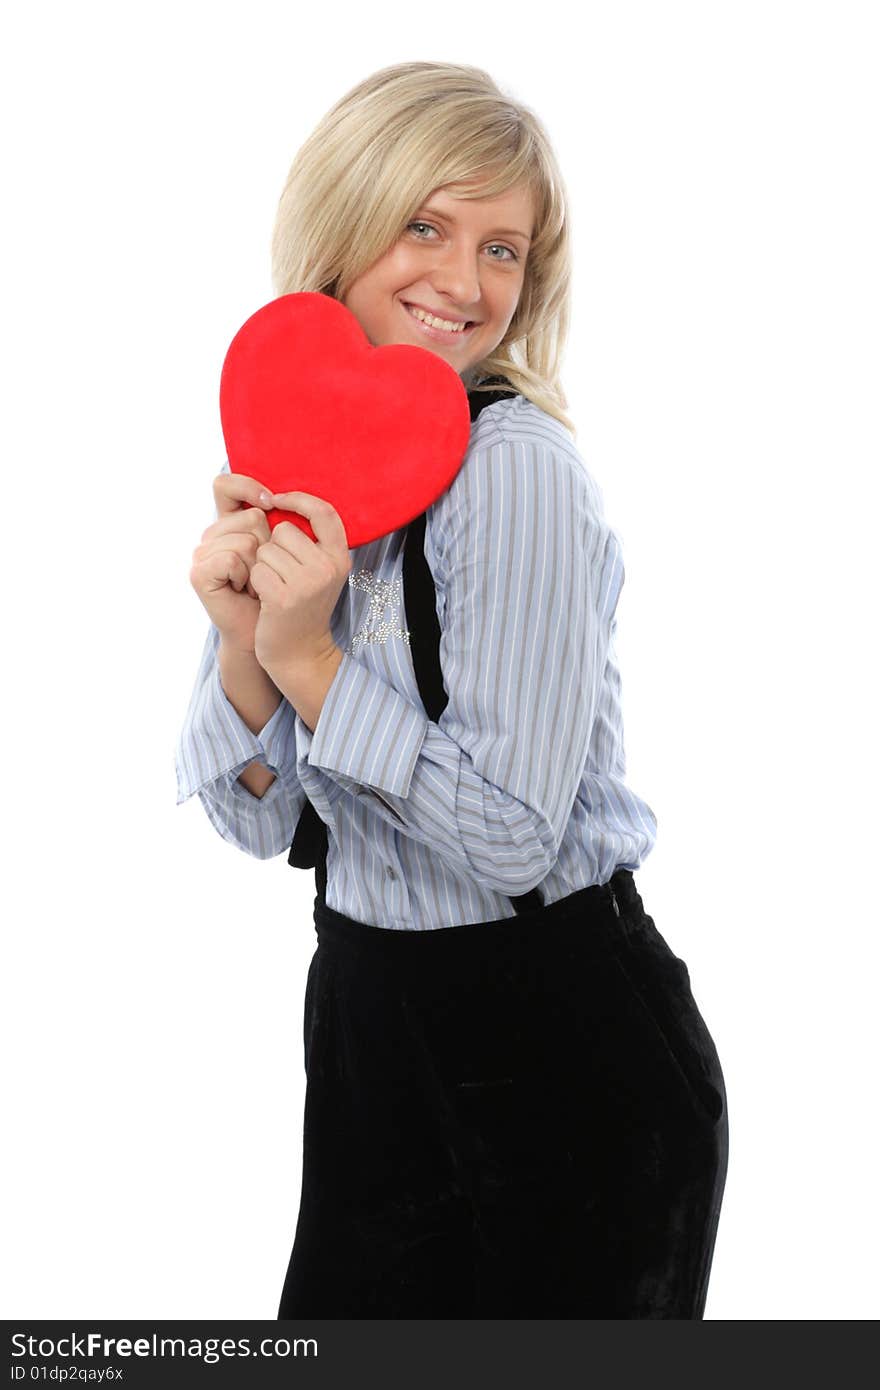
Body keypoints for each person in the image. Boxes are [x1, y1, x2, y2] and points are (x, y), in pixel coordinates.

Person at [175, 61, 728, 1318]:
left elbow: (512, 837)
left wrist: (312, 660)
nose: (463, 283)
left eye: (503, 248)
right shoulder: (288, 451)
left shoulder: (517, 476)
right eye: (424, 224)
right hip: (368, 1026)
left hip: (566, 1049)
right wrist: (243, 646)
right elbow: (259, 821)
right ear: (343, 219)